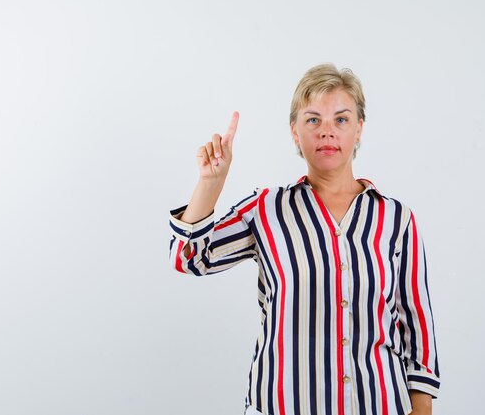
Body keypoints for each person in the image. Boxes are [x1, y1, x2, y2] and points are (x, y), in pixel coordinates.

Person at [168, 64, 440, 415]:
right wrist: (210, 182)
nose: (327, 132)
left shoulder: (395, 219)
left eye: (341, 119)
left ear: (359, 129)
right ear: (295, 132)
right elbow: (189, 258)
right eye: (313, 120)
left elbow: (417, 329)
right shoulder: (266, 208)